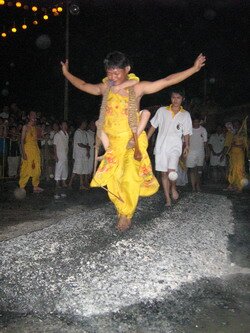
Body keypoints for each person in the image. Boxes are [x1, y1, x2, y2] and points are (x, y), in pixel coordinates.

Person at [61, 51, 206, 231]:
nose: (112, 77)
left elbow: (167, 81)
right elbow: (83, 84)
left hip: (132, 142)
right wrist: (66, 73)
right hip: (112, 145)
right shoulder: (105, 88)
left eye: (117, 73)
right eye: (109, 73)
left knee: (129, 178)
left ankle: (126, 214)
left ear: (127, 69)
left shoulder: (137, 88)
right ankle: (122, 207)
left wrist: (193, 69)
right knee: (113, 181)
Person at [148, 89, 192, 206]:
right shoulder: (162, 111)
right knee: (163, 173)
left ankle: (173, 187)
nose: (175, 100)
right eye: (173, 97)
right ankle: (167, 198)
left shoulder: (185, 114)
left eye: (178, 98)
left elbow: (187, 132)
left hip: (175, 146)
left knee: (171, 172)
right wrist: (146, 139)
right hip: (161, 146)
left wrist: (187, 145)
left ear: (182, 99)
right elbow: (153, 126)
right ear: (170, 98)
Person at [19, 111, 43, 193]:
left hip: (35, 150)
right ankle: (22, 186)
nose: (34, 116)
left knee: (37, 168)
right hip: (27, 150)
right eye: (32, 115)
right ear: (29, 116)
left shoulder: (35, 127)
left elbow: (36, 139)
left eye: (35, 115)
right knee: (26, 168)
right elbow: (22, 140)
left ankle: (35, 186)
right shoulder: (25, 127)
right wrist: (23, 153)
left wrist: (42, 135)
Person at [221, 118, 248, 192]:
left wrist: (237, 145)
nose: (236, 126)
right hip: (232, 154)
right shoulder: (231, 133)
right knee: (232, 169)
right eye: (234, 124)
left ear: (240, 125)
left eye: (237, 124)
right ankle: (232, 186)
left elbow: (246, 146)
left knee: (239, 169)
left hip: (240, 154)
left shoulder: (243, 133)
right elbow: (228, 144)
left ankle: (240, 187)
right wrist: (225, 153)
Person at [186, 114, 208, 192]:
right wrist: (183, 152)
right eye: (194, 122)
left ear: (199, 122)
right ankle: (193, 187)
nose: (196, 123)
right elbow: (184, 142)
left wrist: (206, 153)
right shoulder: (188, 130)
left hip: (200, 152)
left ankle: (198, 185)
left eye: (197, 122)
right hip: (190, 152)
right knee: (192, 170)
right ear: (192, 122)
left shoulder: (203, 130)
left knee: (199, 170)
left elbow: (205, 143)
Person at [68, 120, 90, 190]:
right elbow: (79, 144)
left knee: (80, 169)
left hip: (83, 154)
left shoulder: (84, 132)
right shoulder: (77, 132)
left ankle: (77, 184)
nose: (86, 125)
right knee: (77, 169)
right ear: (82, 123)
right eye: (85, 123)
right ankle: (75, 184)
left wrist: (88, 151)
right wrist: (87, 147)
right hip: (78, 154)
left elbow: (87, 143)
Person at [53, 121, 69, 191]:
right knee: (58, 168)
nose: (65, 126)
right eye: (63, 125)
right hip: (59, 154)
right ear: (60, 126)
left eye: (66, 125)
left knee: (65, 168)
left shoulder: (67, 134)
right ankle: (57, 183)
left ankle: (63, 182)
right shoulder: (58, 135)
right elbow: (54, 145)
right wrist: (55, 155)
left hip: (65, 154)